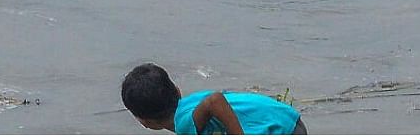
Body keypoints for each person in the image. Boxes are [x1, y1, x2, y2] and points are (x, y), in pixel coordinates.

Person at [121, 63, 306, 135]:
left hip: (282, 130)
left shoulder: (184, 124)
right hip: (285, 119)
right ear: (177, 90)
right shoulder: (189, 105)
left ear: (143, 121)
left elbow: (215, 101)